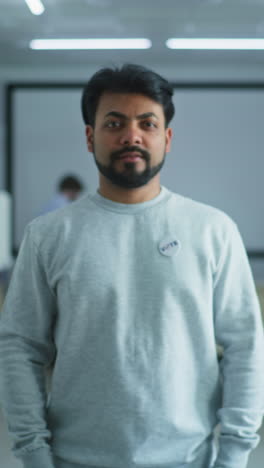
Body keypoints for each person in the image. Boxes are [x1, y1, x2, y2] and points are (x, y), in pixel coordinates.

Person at [0, 63, 263, 468]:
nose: (132, 136)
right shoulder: (48, 235)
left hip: (191, 461)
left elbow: (246, 346)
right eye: (114, 123)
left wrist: (234, 454)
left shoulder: (213, 230)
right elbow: (19, 347)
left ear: (167, 138)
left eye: (148, 123)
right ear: (90, 137)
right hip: (74, 461)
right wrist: (34, 453)